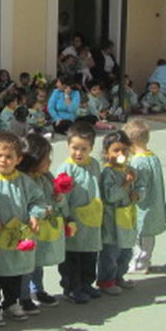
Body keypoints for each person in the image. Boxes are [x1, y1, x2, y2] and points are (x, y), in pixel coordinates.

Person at [0, 131, 45, 326]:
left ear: (18, 159)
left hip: (19, 238)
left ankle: (11, 303)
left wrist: (35, 215)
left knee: (16, 274)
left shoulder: (25, 182)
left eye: (9, 157)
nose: (3, 160)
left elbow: (38, 200)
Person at [18, 134, 64, 309]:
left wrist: (58, 197)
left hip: (42, 227)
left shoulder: (45, 176)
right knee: (26, 265)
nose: (49, 163)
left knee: (38, 262)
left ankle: (37, 289)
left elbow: (54, 195)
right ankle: (22, 296)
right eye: (46, 159)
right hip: (28, 228)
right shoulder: (23, 180)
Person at [60, 121, 104, 302]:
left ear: (91, 148)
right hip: (74, 220)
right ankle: (72, 287)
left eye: (83, 149)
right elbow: (61, 196)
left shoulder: (94, 165)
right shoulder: (66, 168)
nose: (78, 153)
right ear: (68, 145)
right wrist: (65, 217)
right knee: (72, 257)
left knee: (90, 255)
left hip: (92, 219)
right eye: (74, 148)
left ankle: (87, 283)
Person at [97, 130, 137, 295]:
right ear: (107, 153)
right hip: (111, 220)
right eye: (116, 150)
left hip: (126, 217)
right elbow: (111, 196)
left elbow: (135, 189)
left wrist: (136, 194)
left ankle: (119, 276)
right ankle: (106, 281)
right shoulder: (108, 172)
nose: (121, 154)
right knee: (110, 252)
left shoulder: (128, 169)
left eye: (124, 150)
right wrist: (126, 185)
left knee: (126, 251)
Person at [125, 118, 166, 273]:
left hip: (144, 208)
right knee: (148, 238)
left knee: (140, 238)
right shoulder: (153, 157)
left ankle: (139, 263)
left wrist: (133, 195)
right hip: (154, 206)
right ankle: (145, 260)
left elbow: (140, 187)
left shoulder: (138, 162)